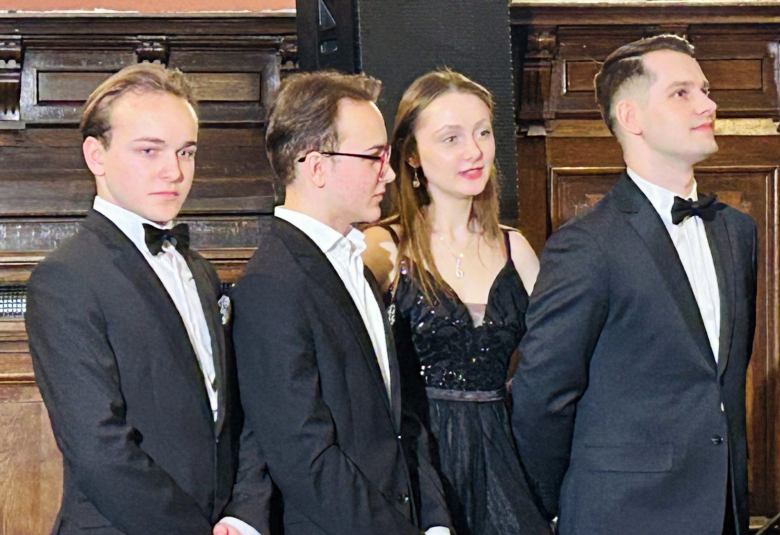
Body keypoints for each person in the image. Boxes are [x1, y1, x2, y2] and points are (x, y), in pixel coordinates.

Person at [511, 34, 757, 535]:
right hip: (620, 515)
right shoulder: (586, 245)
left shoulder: (737, 231)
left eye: (705, 90)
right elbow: (543, 396)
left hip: (722, 513)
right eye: (682, 93)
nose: (708, 105)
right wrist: (560, 504)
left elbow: (721, 383)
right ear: (631, 117)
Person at [25, 63, 271, 535]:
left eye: (186, 152)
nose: (174, 171)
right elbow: (98, 449)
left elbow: (236, 414)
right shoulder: (66, 278)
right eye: (149, 150)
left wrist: (244, 515)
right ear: (96, 155)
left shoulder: (201, 272)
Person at [230, 70, 452, 535]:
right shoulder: (272, 283)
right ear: (316, 167)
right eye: (373, 157)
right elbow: (303, 456)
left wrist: (435, 521)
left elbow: (402, 418)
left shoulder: (357, 264)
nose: (389, 173)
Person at [363, 69, 551, 535]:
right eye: (451, 138)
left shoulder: (516, 249)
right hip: (419, 464)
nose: (474, 151)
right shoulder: (383, 248)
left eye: (483, 133)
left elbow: (553, 367)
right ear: (411, 155)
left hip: (507, 460)